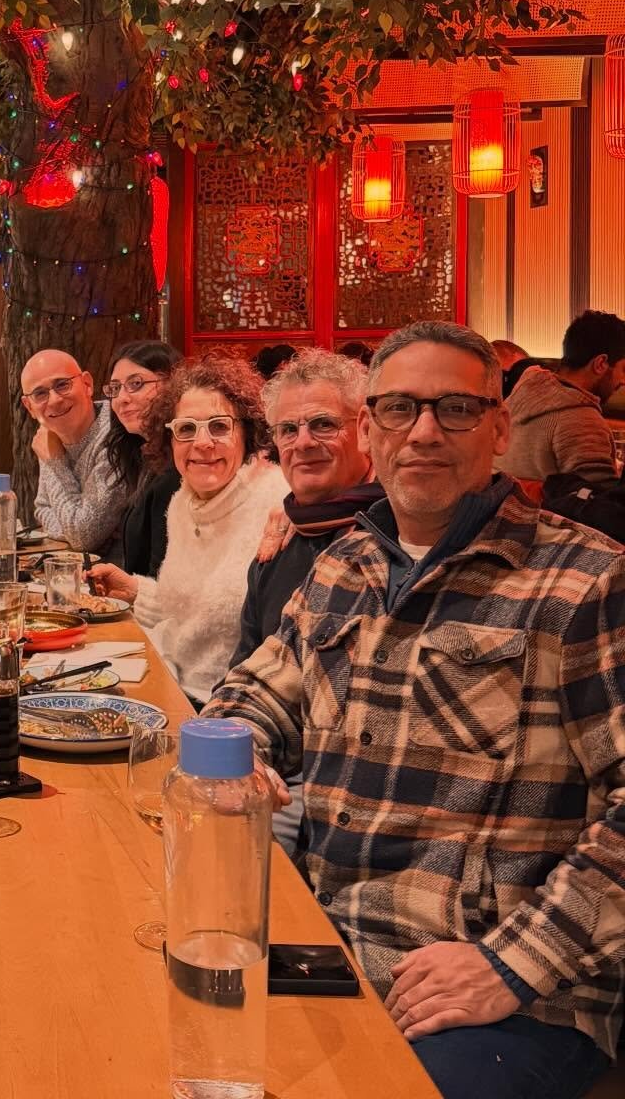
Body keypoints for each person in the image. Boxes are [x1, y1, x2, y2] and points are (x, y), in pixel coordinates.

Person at [206, 321, 625, 1099]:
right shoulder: (346, 564)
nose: (424, 431)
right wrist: (242, 750)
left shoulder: (586, 583)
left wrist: (513, 964)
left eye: (456, 410)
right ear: (371, 431)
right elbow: (257, 689)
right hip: (335, 940)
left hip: (510, 996)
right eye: (398, 409)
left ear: (499, 430)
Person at [222, 348, 383, 851]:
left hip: (337, 788)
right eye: (288, 430)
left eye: (322, 425)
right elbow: (245, 663)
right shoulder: (282, 539)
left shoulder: (393, 536)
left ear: (365, 430)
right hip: (270, 761)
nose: (303, 442)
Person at [88, 354, 288, 705]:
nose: (202, 443)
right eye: (186, 429)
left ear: (248, 431)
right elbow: (185, 614)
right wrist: (135, 591)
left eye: (219, 426)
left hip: (228, 707)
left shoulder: (277, 504)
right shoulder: (183, 501)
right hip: (171, 683)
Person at [20, 347, 129, 561]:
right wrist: (75, 528)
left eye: (62, 385)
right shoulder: (51, 434)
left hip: (124, 582)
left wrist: (54, 461)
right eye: (40, 393)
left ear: (87, 384)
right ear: (29, 406)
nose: (54, 400)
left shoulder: (116, 435)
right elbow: (41, 508)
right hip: (80, 573)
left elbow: (83, 536)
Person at [501, 309, 625, 484]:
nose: (623, 381)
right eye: (623, 370)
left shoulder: (522, 393)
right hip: (542, 511)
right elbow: (600, 503)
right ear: (600, 364)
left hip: (506, 509)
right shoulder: (582, 421)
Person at [99, 340, 181, 577]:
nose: (122, 398)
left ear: (172, 384)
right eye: (115, 388)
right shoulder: (143, 458)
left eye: (136, 384)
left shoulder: (180, 467)